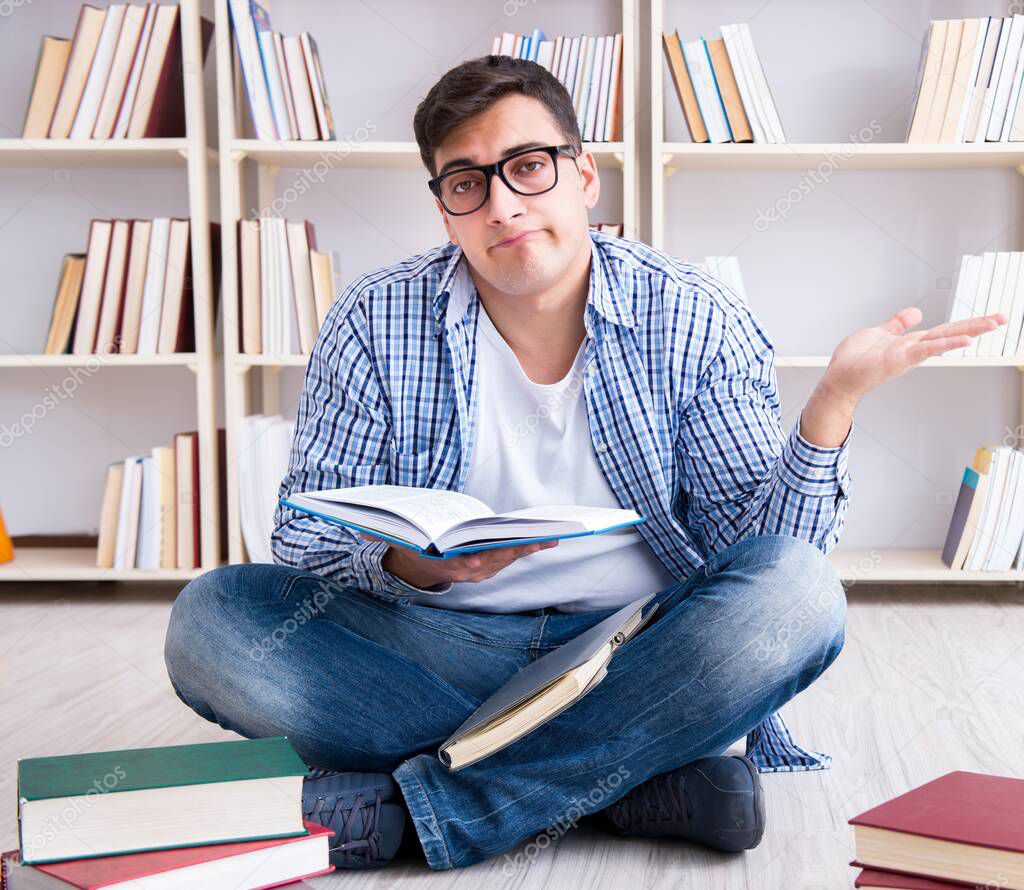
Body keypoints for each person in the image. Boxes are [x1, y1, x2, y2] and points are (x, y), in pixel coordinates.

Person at [163, 55, 1006, 872]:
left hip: (637, 650)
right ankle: (628, 780)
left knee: (800, 595)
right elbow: (304, 535)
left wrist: (831, 409)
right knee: (213, 621)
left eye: (528, 166)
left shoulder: (692, 316)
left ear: (585, 176)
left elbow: (760, 555)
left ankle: (433, 811)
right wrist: (413, 564)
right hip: (436, 646)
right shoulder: (374, 320)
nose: (502, 205)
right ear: (445, 209)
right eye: (467, 183)